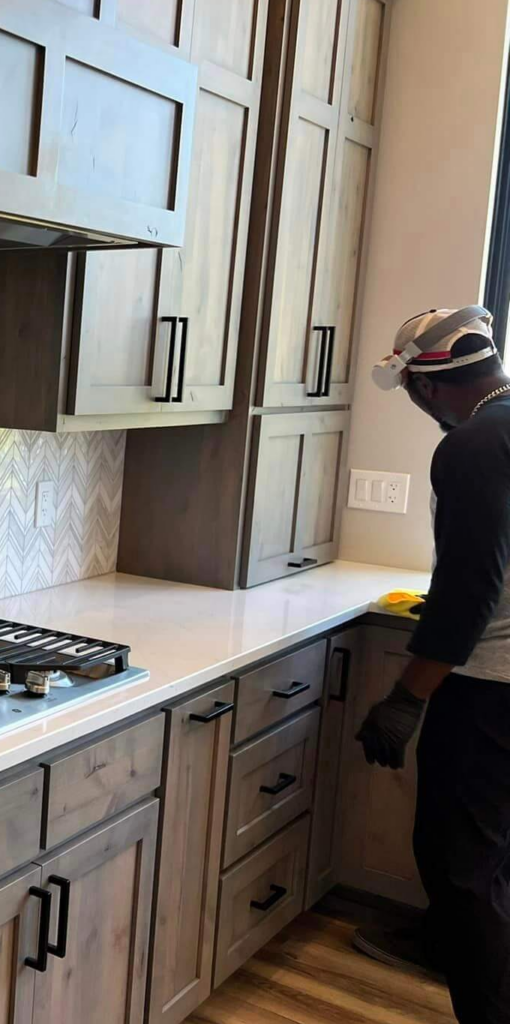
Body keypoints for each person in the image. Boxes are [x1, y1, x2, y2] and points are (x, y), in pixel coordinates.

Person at [355, 305, 510, 1024]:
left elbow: (470, 591)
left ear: (425, 385)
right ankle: (463, 954)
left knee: (458, 862)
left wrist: (406, 698)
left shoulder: (473, 445)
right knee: (494, 858)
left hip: (491, 690)